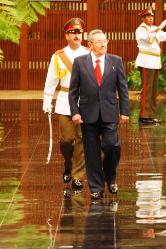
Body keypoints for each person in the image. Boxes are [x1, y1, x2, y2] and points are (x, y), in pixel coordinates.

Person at [68, 29, 130, 200]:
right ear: (90, 45)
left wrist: (125, 111)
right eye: (99, 41)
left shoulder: (115, 61)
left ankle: (110, 177)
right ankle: (96, 187)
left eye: (105, 40)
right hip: (88, 113)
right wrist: (75, 112)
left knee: (112, 146)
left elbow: (122, 88)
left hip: (110, 112)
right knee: (91, 151)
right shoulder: (80, 62)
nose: (103, 44)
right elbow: (73, 91)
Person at [42, 17, 89, 189]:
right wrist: (47, 101)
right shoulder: (58, 56)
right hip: (65, 101)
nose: (76, 35)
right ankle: (68, 163)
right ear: (66, 36)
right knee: (67, 140)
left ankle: (78, 175)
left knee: (81, 139)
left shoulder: (89, 53)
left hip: (84, 101)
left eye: (79, 32)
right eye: (72, 32)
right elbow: (51, 81)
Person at [135, 6, 166, 125]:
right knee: (147, 90)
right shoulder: (141, 29)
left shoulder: (154, 28)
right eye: (147, 16)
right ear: (143, 18)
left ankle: (151, 115)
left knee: (154, 90)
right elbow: (145, 38)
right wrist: (157, 30)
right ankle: (144, 116)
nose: (150, 18)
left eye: (151, 16)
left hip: (154, 62)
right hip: (146, 62)